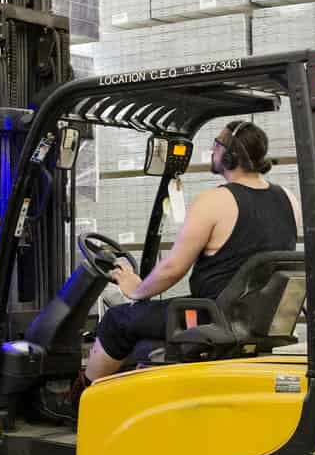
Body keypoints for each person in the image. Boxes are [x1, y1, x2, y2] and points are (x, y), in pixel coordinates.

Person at [84, 120, 301, 382]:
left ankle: (81, 397)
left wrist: (135, 289)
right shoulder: (288, 199)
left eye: (217, 145)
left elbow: (174, 268)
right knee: (143, 327)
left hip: (210, 319)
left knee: (117, 321)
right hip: (255, 321)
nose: (212, 151)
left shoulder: (216, 200)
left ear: (230, 155)